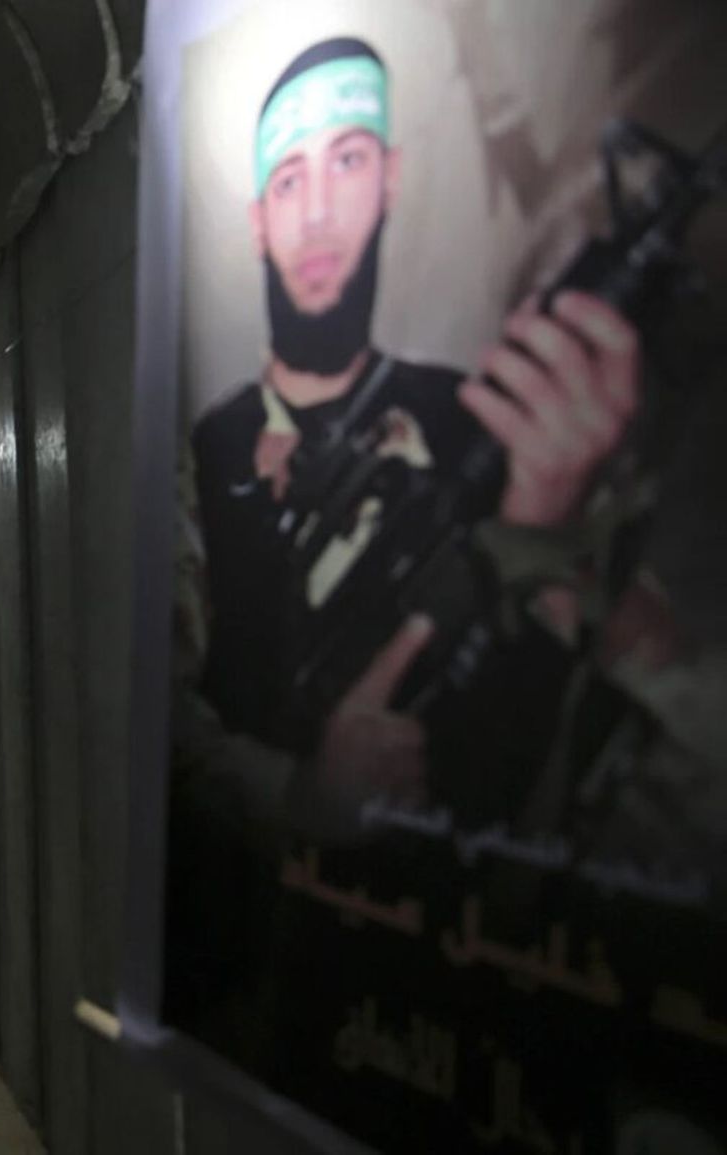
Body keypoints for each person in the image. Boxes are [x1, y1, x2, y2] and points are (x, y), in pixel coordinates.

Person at [190, 36, 642, 826]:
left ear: (390, 178)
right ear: (259, 220)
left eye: (348, 161)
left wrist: (550, 527)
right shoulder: (206, 457)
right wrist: (306, 794)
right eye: (289, 179)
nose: (318, 213)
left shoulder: (477, 419)